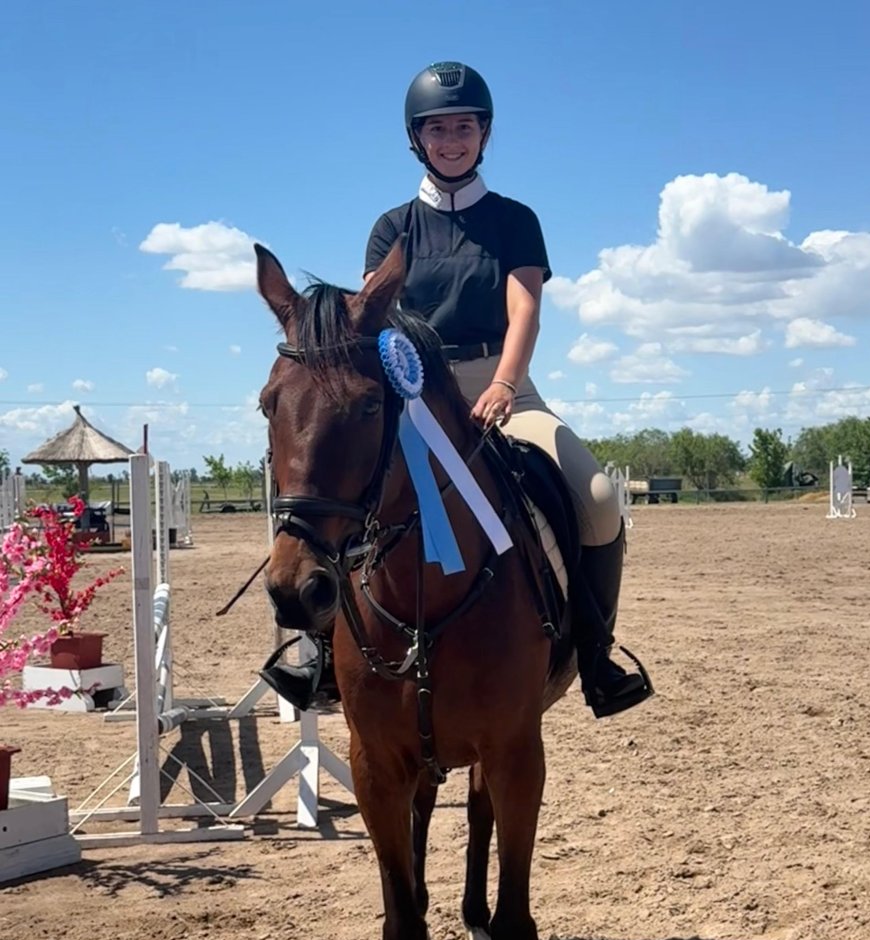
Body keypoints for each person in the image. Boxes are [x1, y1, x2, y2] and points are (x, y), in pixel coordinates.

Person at [263, 62, 651, 720]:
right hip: (413, 397)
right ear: (417, 138)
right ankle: (321, 654)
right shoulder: (392, 227)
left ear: (484, 134)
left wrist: (504, 382)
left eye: (464, 127)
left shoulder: (513, 221)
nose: (452, 140)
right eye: (437, 128)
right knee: (343, 490)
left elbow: (524, 310)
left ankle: (595, 655)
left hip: (503, 387)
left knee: (597, 498)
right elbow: (371, 317)